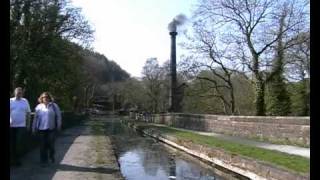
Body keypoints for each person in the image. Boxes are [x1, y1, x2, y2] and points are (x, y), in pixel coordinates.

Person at [32, 92, 62, 166]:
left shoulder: (54, 106)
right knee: (42, 145)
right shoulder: (38, 107)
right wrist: (33, 128)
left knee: (51, 145)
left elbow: (58, 116)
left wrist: (59, 125)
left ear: (49, 98)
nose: (45, 98)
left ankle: (51, 155)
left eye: (47, 97)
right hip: (41, 129)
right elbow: (35, 118)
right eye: (44, 97)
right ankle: (43, 161)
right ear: (41, 98)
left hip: (51, 128)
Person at [10, 87, 31, 166]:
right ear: (14, 93)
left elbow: (28, 113)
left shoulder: (25, 101)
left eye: (20, 92)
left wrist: (28, 124)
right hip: (11, 126)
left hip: (21, 126)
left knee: (18, 143)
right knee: (12, 143)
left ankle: (17, 159)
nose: (19, 94)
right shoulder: (10, 101)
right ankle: (13, 160)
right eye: (17, 92)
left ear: (22, 93)